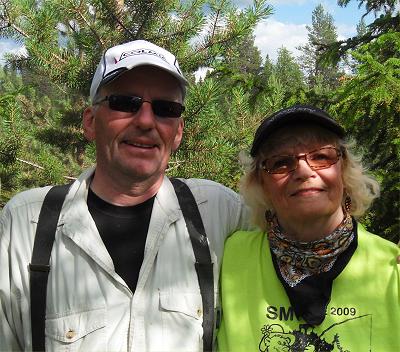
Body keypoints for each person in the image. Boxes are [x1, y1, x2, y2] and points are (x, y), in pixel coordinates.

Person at [0, 40, 250, 351]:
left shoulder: (219, 213)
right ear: (90, 121)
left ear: (179, 131)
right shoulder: (25, 224)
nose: (146, 121)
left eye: (165, 109)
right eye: (125, 102)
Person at [217, 105, 400, 351]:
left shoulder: (391, 268)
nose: (304, 171)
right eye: (281, 162)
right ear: (260, 183)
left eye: (322, 157)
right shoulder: (227, 257)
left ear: (344, 170)